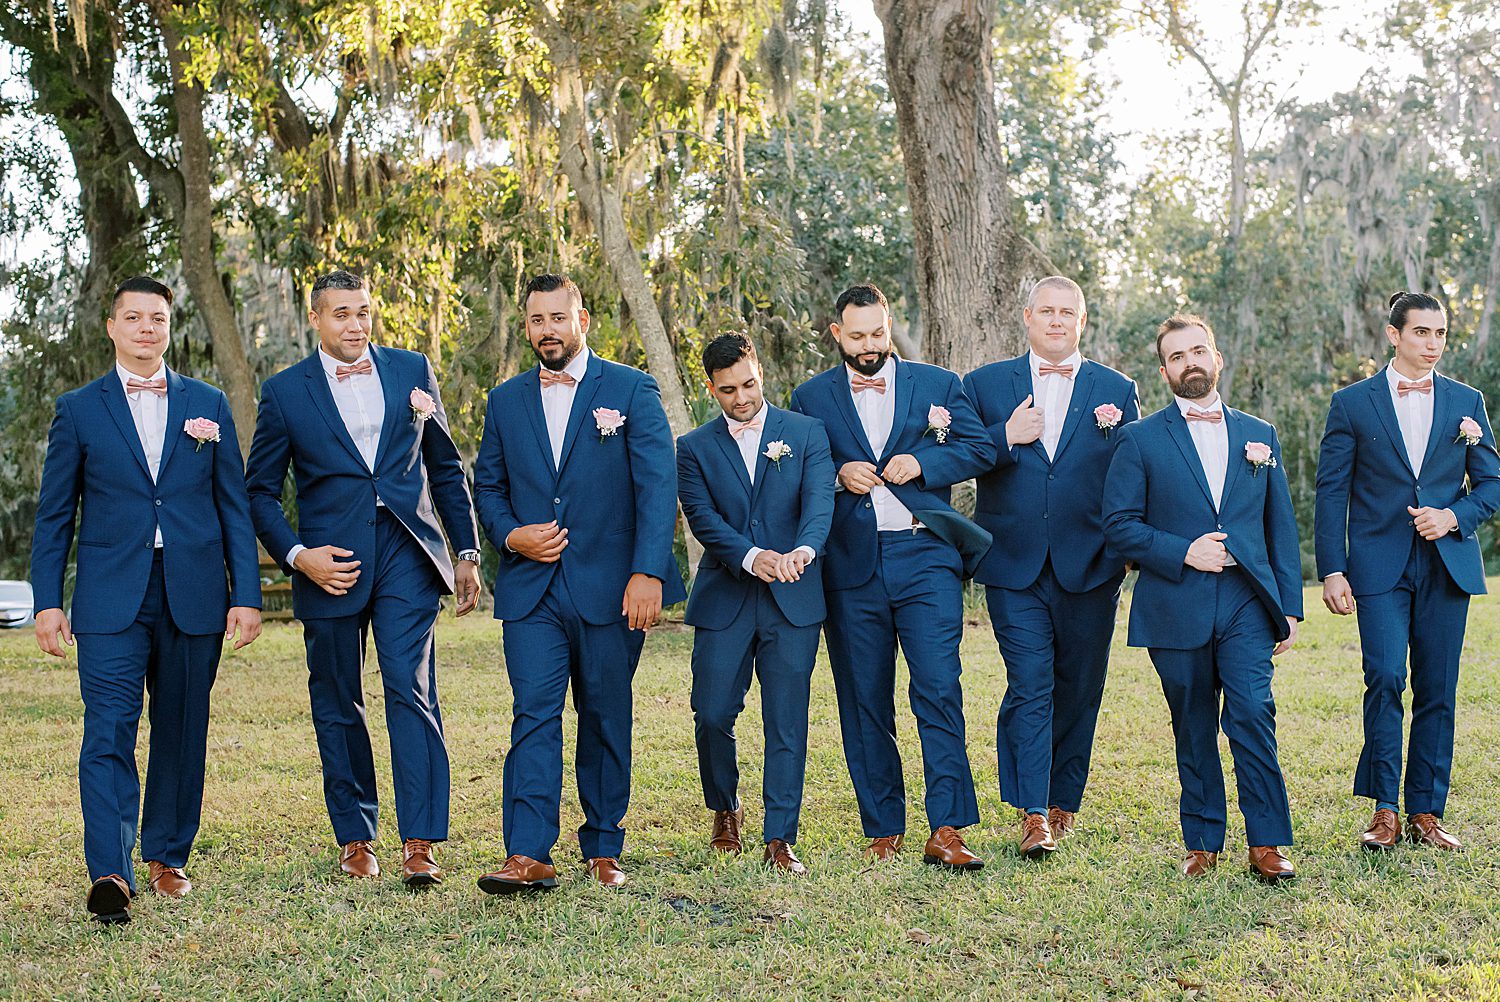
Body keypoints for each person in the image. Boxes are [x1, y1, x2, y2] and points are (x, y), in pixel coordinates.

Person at [31, 276, 262, 923]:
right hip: (109, 599)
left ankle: (166, 855)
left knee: (182, 728)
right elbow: (55, 517)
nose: (144, 328)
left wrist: (245, 594)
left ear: (169, 326)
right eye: (132, 317)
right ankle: (110, 870)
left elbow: (234, 510)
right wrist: (49, 601)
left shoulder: (207, 404)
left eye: (156, 318)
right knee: (108, 727)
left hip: (193, 594)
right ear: (112, 326)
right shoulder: (78, 409)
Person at [244, 269, 481, 886]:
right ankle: (355, 835)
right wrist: (299, 555)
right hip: (331, 564)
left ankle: (421, 841)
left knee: (411, 688)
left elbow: (446, 469)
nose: (355, 325)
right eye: (341, 314)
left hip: (408, 549)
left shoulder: (411, 370)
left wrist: (467, 553)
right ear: (316, 319)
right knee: (338, 698)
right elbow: (261, 494)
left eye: (364, 312)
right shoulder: (285, 392)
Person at [472, 273, 684, 893]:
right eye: (536, 321)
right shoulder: (505, 401)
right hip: (531, 589)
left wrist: (648, 573)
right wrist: (511, 535)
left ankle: (604, 844)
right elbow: (488, 488)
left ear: (582, 320)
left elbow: (657, 488)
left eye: (557, 319)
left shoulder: (631, 389)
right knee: (533, 713)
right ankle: (528, 852)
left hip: (613, 587)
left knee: (605, 714)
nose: (547, 331)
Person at [789, 283, 995, 870]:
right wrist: (835, 472)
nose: (870, 346)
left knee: (938, 687)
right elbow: (795, 470)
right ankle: (883, 825)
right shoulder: (809, 397)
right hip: (851, 564)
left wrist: (925, 462)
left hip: (925, 556)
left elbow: (979, 448)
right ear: (837, 335)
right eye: (857, 337)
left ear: (888, 325)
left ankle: (948, 828)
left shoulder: (938, 385)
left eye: (878, 333)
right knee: (863, 699)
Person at [1103, 314, 1302, 882]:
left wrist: (1288, 606)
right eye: (1176, 356)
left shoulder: (1260, 435)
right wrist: (1183, 550)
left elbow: (1279, 527)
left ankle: (1266, 842)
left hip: (1246, 601)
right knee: (1191, 724)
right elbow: (1117, 524)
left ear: (1217, 358)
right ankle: (1202, 840)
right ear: (1164, 369)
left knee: (1253, 714)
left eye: (1198, 351)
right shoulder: (1138, 439)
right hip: (1175, 600)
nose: (1189, 362)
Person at [1315, 292, 1500, 851]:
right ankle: (1385, 810)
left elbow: (1492, 485)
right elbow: (1331, 492)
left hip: (1447, 566)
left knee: (1438, 689)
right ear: (1394, 335)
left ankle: (1425, 811)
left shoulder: (1468, 401)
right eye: (1422, 333)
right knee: (1387, 677)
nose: (1433, 344)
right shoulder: (1352, 403)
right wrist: (1332, 570)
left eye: (1441, 334)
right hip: (1378, 567)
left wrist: (1454, 515)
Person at [962, 276, 1139, 858]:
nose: (1057, 321)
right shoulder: (986, 385)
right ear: (1027, 317)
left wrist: (1124, 552)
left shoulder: (1117, 389)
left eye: (1068, 312)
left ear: (1082, 320)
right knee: (1030, 683)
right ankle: (1033, 810)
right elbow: (958, 454)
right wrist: (1003, 436)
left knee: (1080, 686)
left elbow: (1131, 475)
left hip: (1090, 564)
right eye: (1047, 311)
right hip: (1013, 563)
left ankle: (1064, 797)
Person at [677, 333, 835, 875]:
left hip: (794, 595)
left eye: (747, 384)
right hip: (726, 596)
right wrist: (750, 556)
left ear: (760, 371)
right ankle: (725, 808)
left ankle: (779, 837)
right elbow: (703, 519)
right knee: (713, 711)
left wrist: (803, 551)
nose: (740, 398)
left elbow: (819, 503)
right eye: (727, 390)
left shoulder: (807, 433)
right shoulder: (693, 447)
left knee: (786, 719)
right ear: (710, 388)